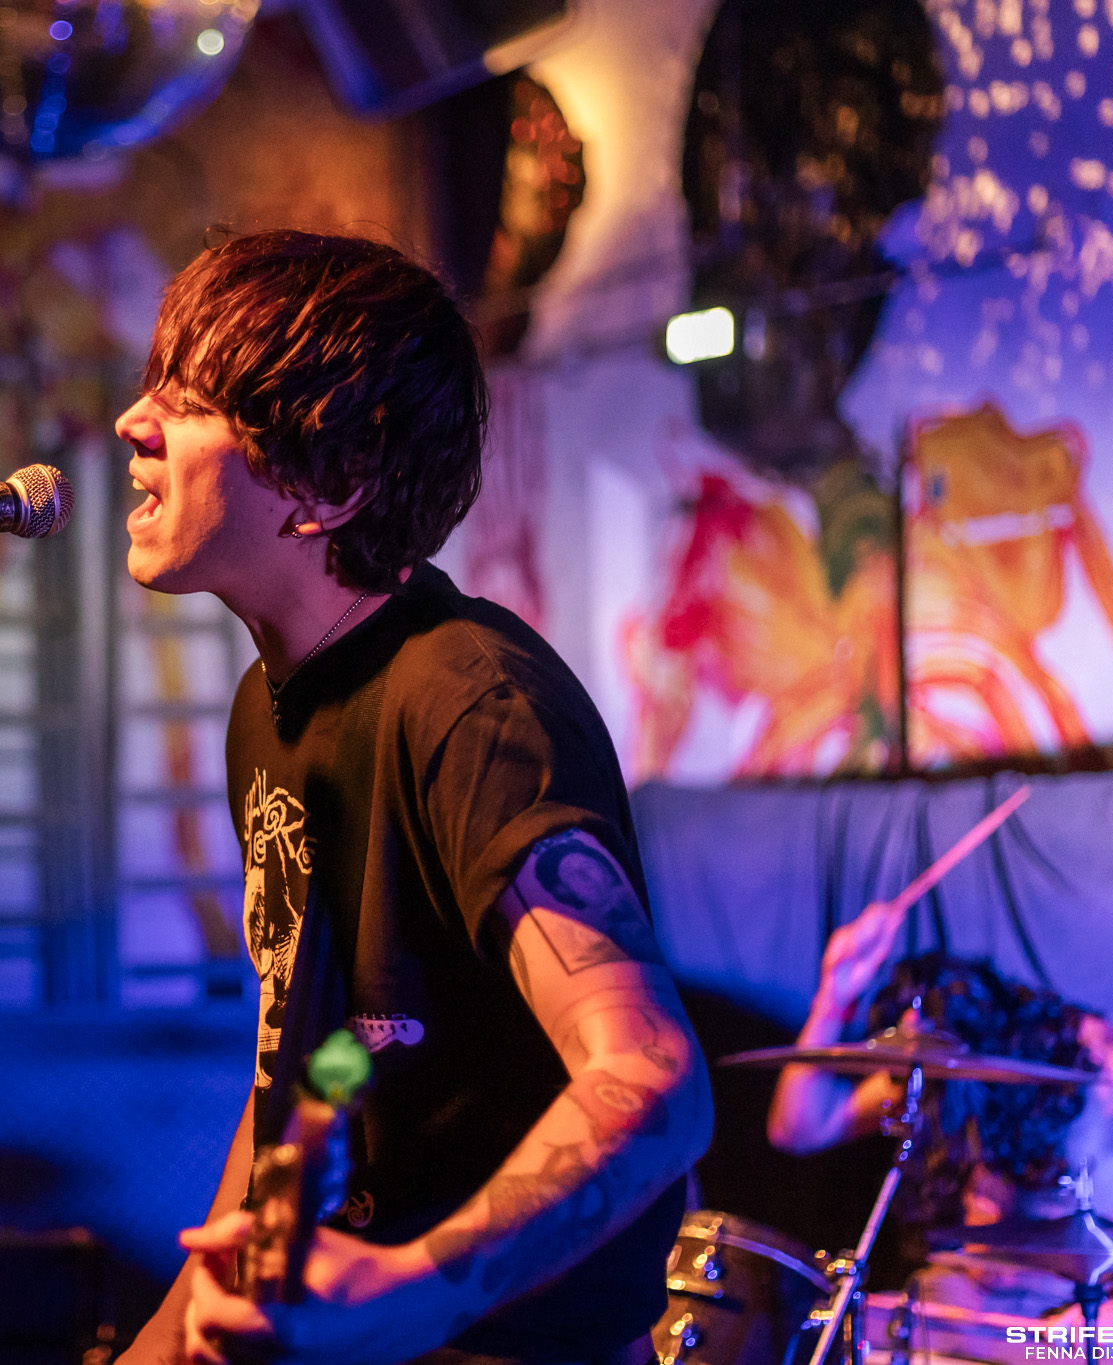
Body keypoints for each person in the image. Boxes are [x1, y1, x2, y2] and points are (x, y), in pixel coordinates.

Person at [113, 230, 714, 1365]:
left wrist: (419, 1292)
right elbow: (309, 1063)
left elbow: (653, 1078)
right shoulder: (267, 708)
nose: (131, 423)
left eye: (188, 403)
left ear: (330, 485)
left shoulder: (471, 703)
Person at [769, 900, 1113, 1362]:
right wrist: (833, 999)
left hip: (1092, 1314)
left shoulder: (1098, 1063)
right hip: (962, 1303)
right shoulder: (940, 1074)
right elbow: (800, 1129)